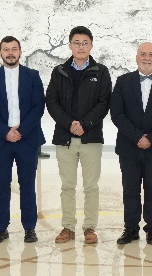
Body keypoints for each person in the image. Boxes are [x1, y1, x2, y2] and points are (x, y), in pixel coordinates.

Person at [45, 26, 113, 245]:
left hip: (90, 138)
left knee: (91, 186)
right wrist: (69, 124)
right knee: (67, 186)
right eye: (77, 43)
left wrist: (84, 124)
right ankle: (68, 227)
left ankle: (89, 227)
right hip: (64, 138)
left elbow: (104, 103)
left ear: (91, 46)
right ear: (70, 46)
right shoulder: (59, 71)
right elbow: (51, 101)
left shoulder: (101, 72)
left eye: (85, 43)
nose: (81, 47)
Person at [110, 42, 152, 246]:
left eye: (151, 54)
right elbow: (117, 114)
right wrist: (138, 137)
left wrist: (151, 139)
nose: (147, 58)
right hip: (128, 147)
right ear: (136, 57)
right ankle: (131, 228)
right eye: (143, 54)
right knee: (130, 189)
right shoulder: (122, 81)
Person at [0, 36, 46, 244]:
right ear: (0, 52)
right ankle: (1, 229)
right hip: (0, 141)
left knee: (27, 186)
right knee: (1, 186)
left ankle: (29, 228)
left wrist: (21, 131)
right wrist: (6, 132)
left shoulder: (32, 76)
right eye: (6, 49)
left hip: (27, 140)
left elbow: (38, 106)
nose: (10, 53)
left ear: (20, 52)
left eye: (14, 49)